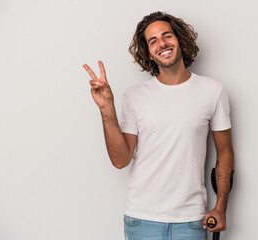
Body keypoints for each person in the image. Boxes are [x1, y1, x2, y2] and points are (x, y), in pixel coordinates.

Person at [83, 11, 234, 240]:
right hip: (141, 221)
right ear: (149, 54)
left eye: (167, 36)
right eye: (153, 41)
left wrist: (221, 207)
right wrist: (107, 109)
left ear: (179, 40)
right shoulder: (134, 96)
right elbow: (121, 160)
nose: (162, 43)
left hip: (192, 222)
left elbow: (224, 152)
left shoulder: (213, 91)